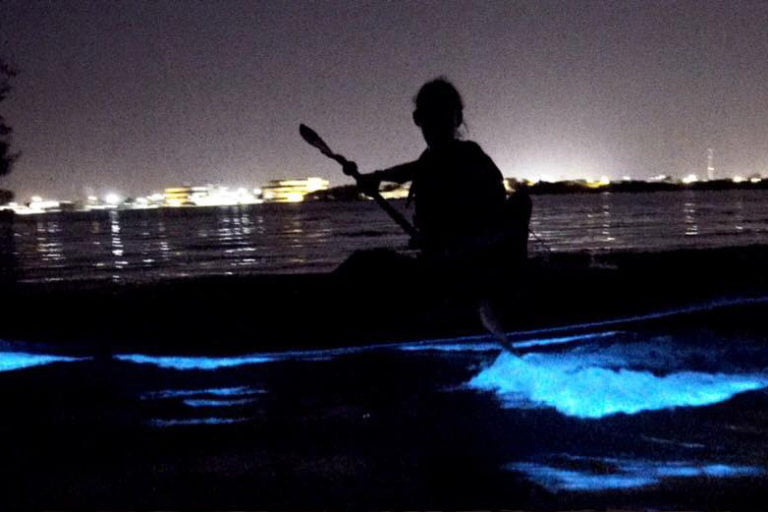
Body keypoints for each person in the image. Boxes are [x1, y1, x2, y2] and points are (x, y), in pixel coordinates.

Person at [358, 77, 531, 345]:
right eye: (425, 116)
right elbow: (417, 169)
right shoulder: (429, 162)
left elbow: (497, 229)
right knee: (366, 264)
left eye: (440, 114)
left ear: (457, 118)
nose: (432, 124)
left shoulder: (471, 159)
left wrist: (454, 249)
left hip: (471, 272)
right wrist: (378, 177)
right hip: (442, 267)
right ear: (418, 120)